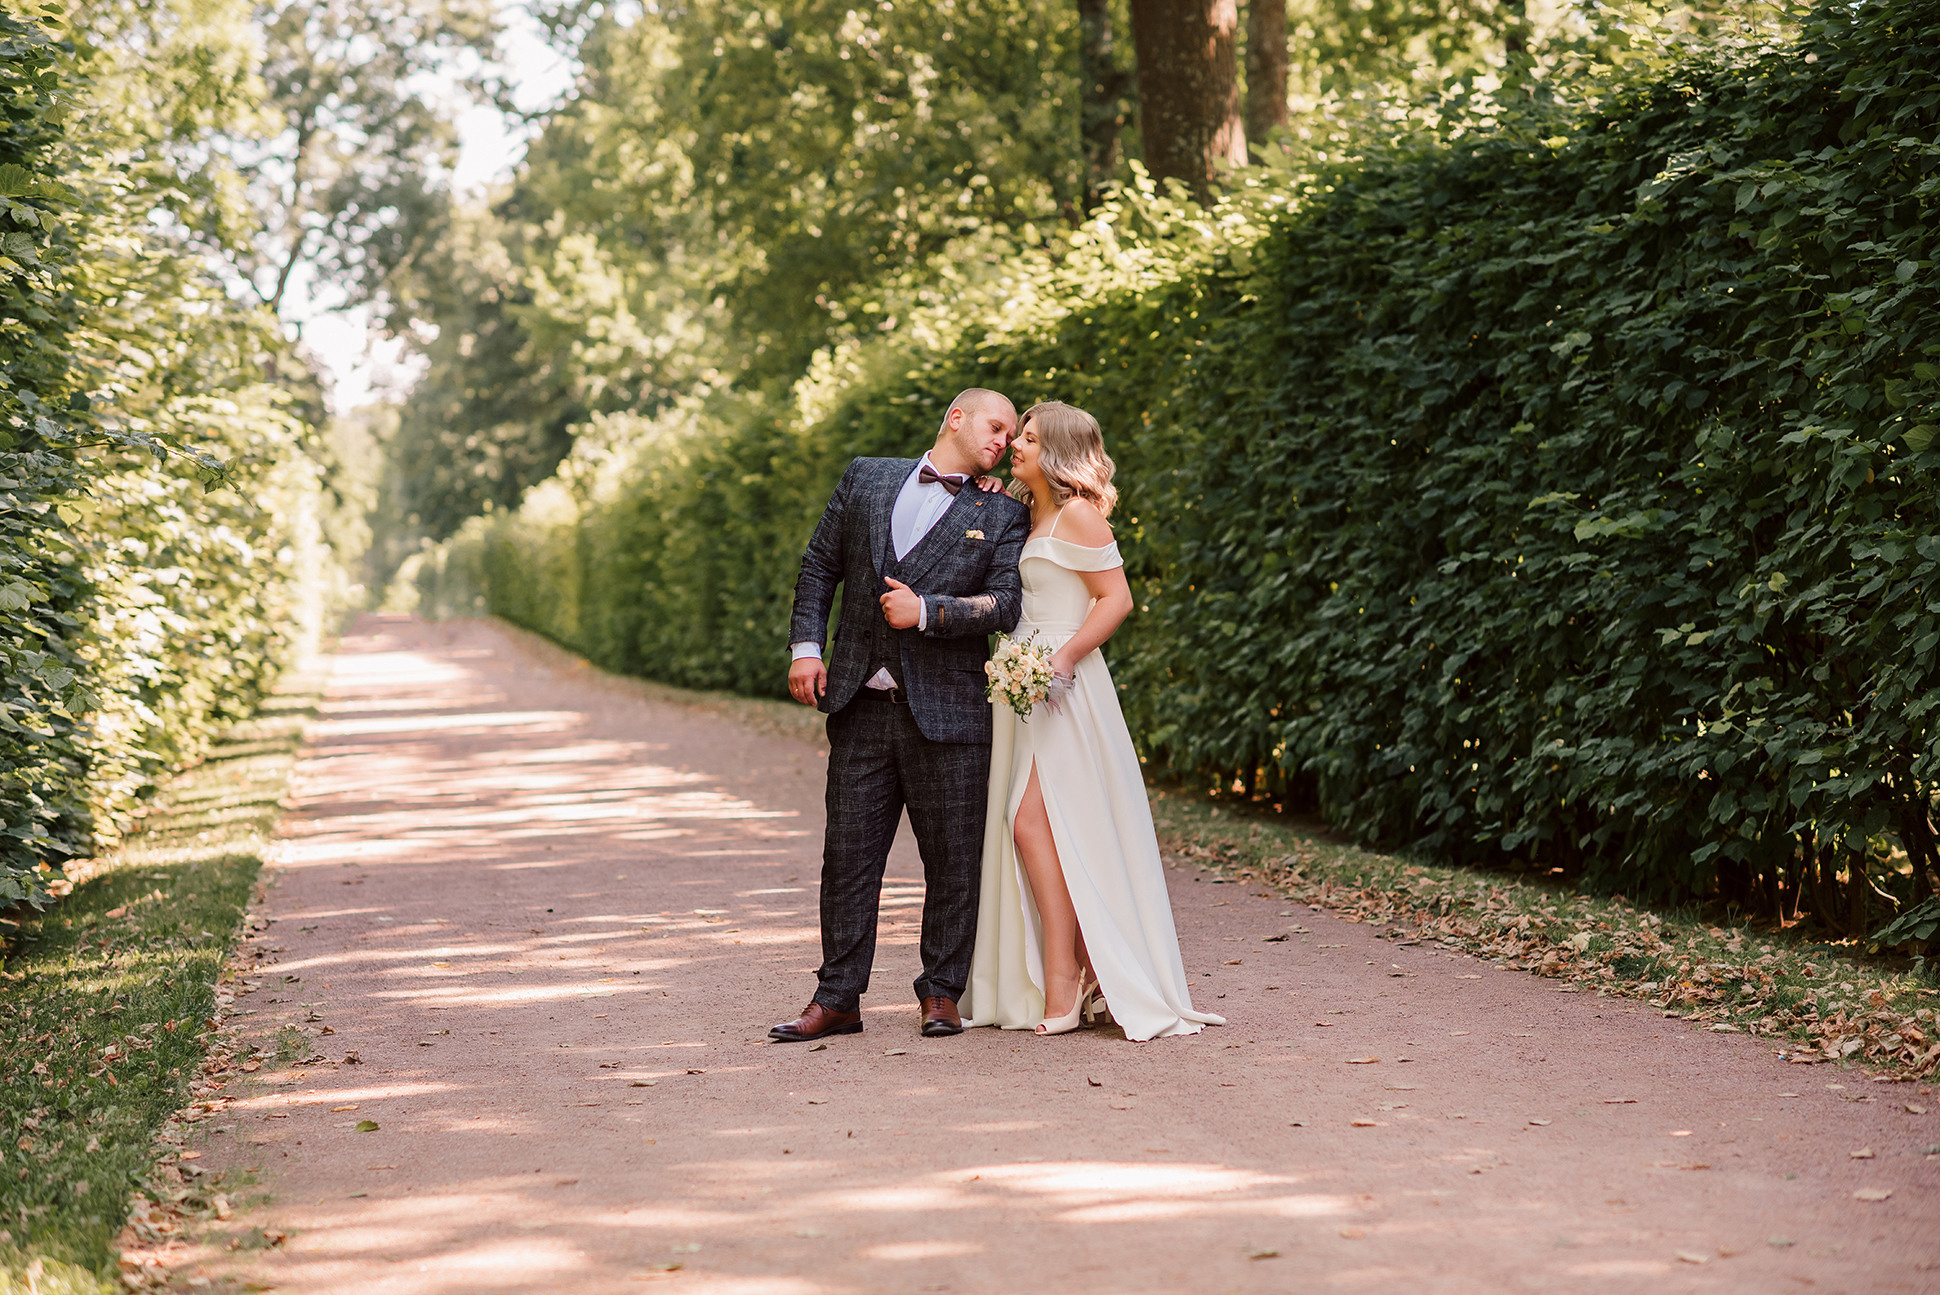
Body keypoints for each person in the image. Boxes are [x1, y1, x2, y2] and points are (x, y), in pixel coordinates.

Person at [772, 388, 1031, 1043]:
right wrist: (807, 645)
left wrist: (929, 610)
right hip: (860, 702)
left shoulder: (1001, 512)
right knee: (848, 858)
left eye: (1011, 434)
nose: (1003, 440)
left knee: (953, 861)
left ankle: (941, 992)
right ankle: (837, 998)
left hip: (950, 715)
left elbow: (1003, 605)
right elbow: (819, 565)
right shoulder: (866, 476)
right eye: (996, 426)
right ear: (957, 417)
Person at [960, 401, 1224, 1041]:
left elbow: (1117, 599)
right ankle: (1077, 969)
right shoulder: (1030, 512)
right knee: (1035, 829)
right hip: (1023, 689)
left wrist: (1063, 660)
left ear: (1056, 452)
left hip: (1064, 689)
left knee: (1029, 824)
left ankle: (1067, 975)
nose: (1015, 444)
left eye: (1028, 437)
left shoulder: (1077, 513)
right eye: (1017, 435)